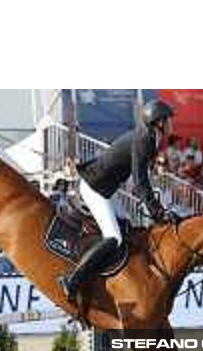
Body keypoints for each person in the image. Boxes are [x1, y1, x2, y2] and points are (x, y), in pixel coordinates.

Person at [60, 98, 174, 303]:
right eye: (168, 120)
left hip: (107, 189)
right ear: (158, 122)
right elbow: (140, 182)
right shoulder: (144, 140)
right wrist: (157, 211)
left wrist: (155, 208)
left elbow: (141, 180)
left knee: (127, 227)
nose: (171, 123)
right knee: (115, 237)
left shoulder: (150, 137)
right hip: (95, 188)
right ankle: (72, 280)